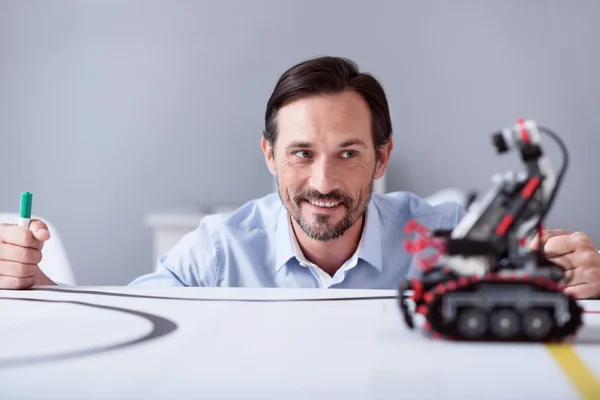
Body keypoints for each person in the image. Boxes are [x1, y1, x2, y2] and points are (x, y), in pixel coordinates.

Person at [1, 56, 600, 298]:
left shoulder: (449, 235)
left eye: (347, 153)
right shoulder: (217, 251)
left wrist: (579, 276)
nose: (322, 181)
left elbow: (546, 288)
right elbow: (126, 318)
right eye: (301, 153)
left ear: (382, 158)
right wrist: (35, 284)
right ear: (269, 154)